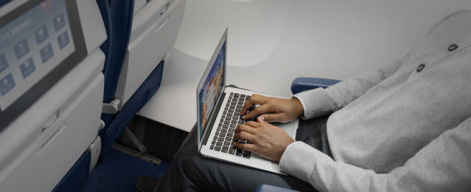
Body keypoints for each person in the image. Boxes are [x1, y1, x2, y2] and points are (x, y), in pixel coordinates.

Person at [138, 10, 471, 192]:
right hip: (325, 129)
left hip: (338, 175)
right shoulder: (460, 23)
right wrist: (302, 105)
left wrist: (289, 152)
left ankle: (182, 180)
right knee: (230, 103)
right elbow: (385, 77)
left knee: (192, 164)